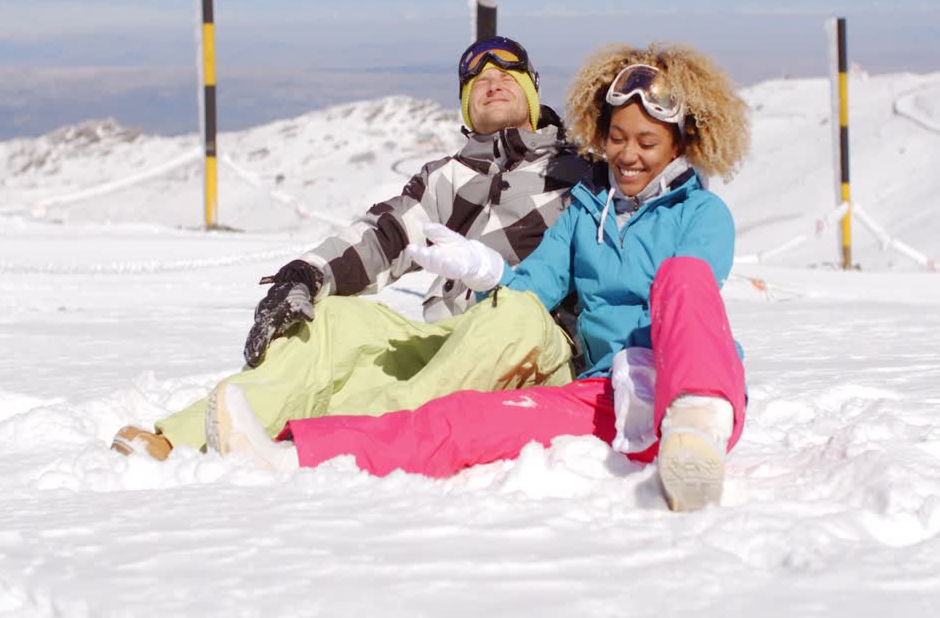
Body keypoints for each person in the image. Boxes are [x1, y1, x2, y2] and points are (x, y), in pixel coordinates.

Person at [208, 42, 752, 511]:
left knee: (681, 278)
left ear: (682, 144)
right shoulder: (585, 214)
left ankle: (693, 440)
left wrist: (680, 393)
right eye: (616, 138)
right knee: (462, 420)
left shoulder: (703, 215)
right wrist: (485, 269)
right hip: (604, 394)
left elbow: (692, 303)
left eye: (647, 143)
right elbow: (529, 293)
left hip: (698, 386)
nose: (627, 156)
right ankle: (294, 456)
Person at [112, 36, 590, 460]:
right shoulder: (447, 178)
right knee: (333, 320)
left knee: (515, 315)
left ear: (532, 91)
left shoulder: (579, 172)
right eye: (478, 80)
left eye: (507, 75)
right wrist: (305, 275)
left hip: (534, 348)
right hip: (450, 341)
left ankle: (333, 444)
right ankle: (186, 441)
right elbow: (384, 236)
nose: (493, 82)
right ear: (466, 105)